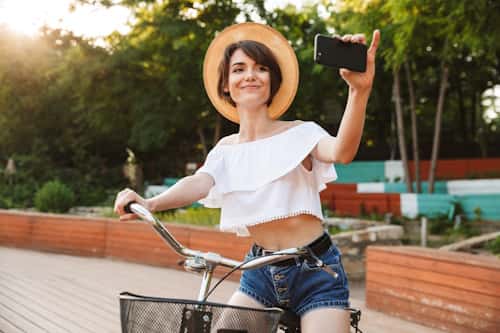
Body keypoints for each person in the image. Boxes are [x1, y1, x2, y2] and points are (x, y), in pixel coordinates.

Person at [114, 22, 380, 332]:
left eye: (261, 68)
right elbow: (199, 182)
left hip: (316, 271)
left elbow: (341, 151)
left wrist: (358, 91)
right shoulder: (225, 150)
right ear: (226, 84)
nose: (250, 75)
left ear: (272, 80)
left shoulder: (300, 133)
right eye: (239, 69)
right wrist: (149, 202)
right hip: (260, 272)